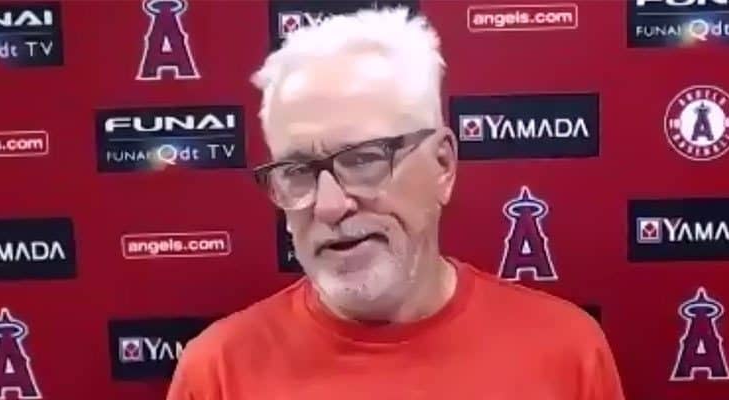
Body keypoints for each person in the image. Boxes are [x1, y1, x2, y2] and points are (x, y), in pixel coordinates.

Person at [166, 7, 625, 400]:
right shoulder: (218, 373)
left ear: (443, 165)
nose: (329, 206)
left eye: (363, 159)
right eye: (297, 171)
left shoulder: (566, 353)